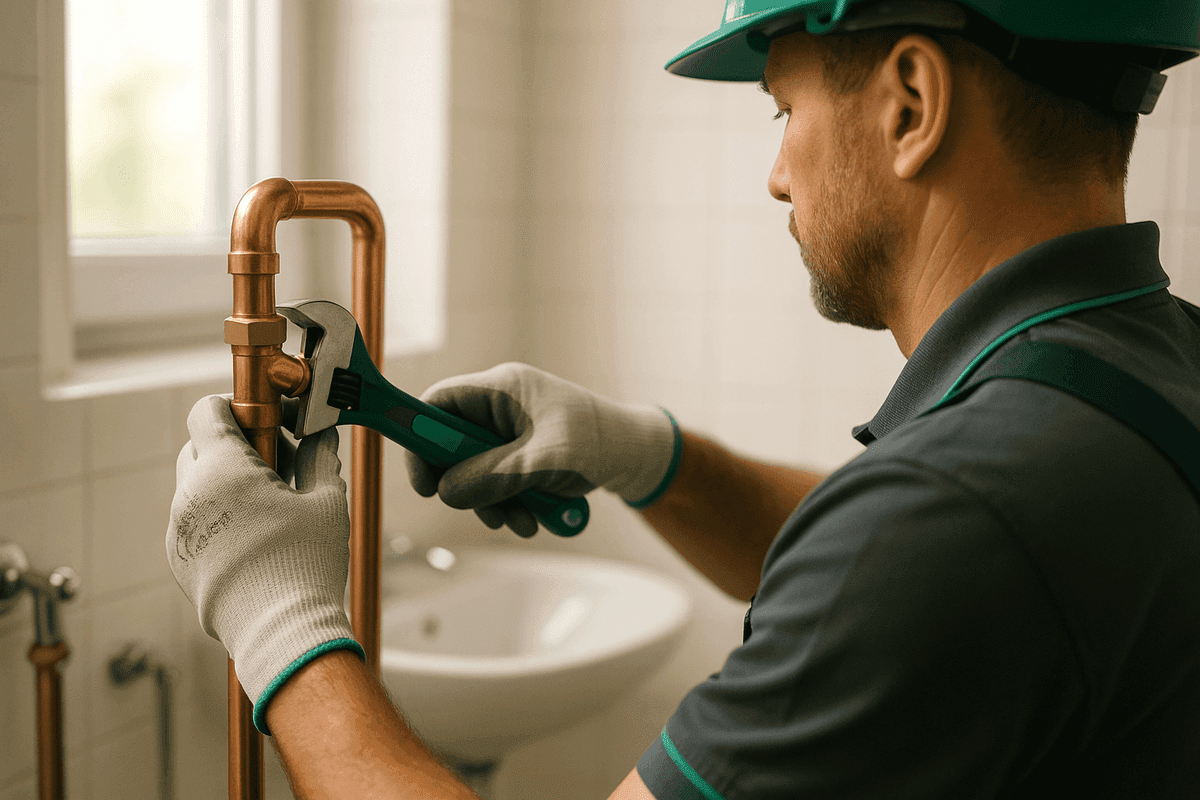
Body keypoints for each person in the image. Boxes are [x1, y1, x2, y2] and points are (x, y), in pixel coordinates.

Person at [168, 1, 1200, 797]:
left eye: (785, 108)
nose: (776, 174)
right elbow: (911, 582)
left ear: (910, 106)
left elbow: (909, 558)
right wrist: (647, 456)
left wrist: (284, 621)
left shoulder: (959, 516)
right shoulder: (1142, 369)